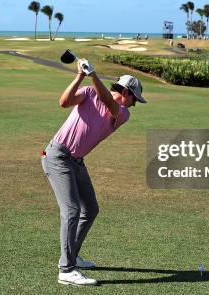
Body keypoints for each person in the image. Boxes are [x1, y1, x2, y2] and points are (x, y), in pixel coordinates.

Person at [41, 59, 146, 286]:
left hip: (76, 162)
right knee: (71, 210)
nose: (134, 104)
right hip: (58, 156)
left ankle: (71, 255)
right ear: (127, 93)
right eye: (135, 99)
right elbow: (64, 102)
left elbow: (108, 102)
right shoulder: (88, 92)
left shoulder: (122, 113)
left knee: (90, 209)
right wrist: (80, 75)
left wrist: (94, 74)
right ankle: (66, 270)